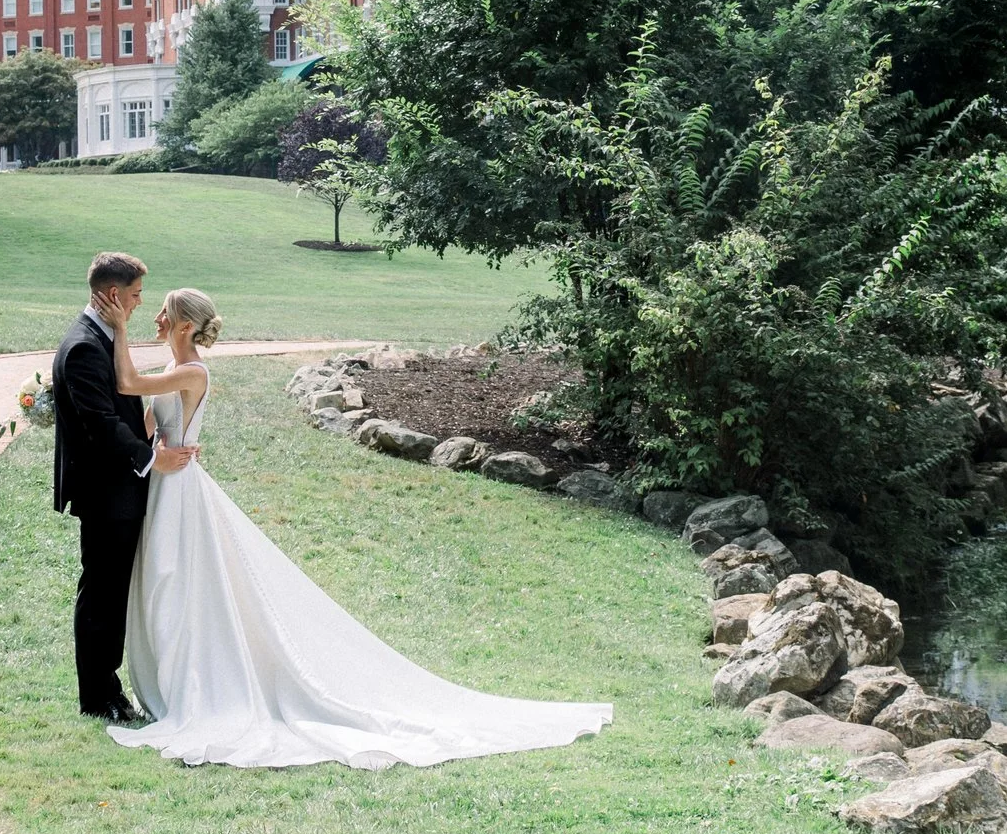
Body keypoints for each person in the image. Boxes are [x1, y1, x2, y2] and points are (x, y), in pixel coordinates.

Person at [102, 284, 613, 769]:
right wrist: (153, 451)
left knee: (184, 583)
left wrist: (118, 326)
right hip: (167, 484)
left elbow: (127, 382)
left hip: (184, 491)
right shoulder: (174, 366)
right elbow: (150, 426)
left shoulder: (194, 372)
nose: (155, 317)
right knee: (167, 584)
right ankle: (173, 682)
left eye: (163, 311)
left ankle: (199, 685)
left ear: (185, 324)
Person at [52, 251, 197, 722]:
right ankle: (98, 697)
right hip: (106, 492)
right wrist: (153, 457)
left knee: (111, 593)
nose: (139, 304)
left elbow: (128, 404)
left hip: (120, 489)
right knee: (101, 594)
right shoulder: (84, 346)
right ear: (114, 294)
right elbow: (101, 423)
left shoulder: (101, 336)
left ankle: (109, 689)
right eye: (135, 295)